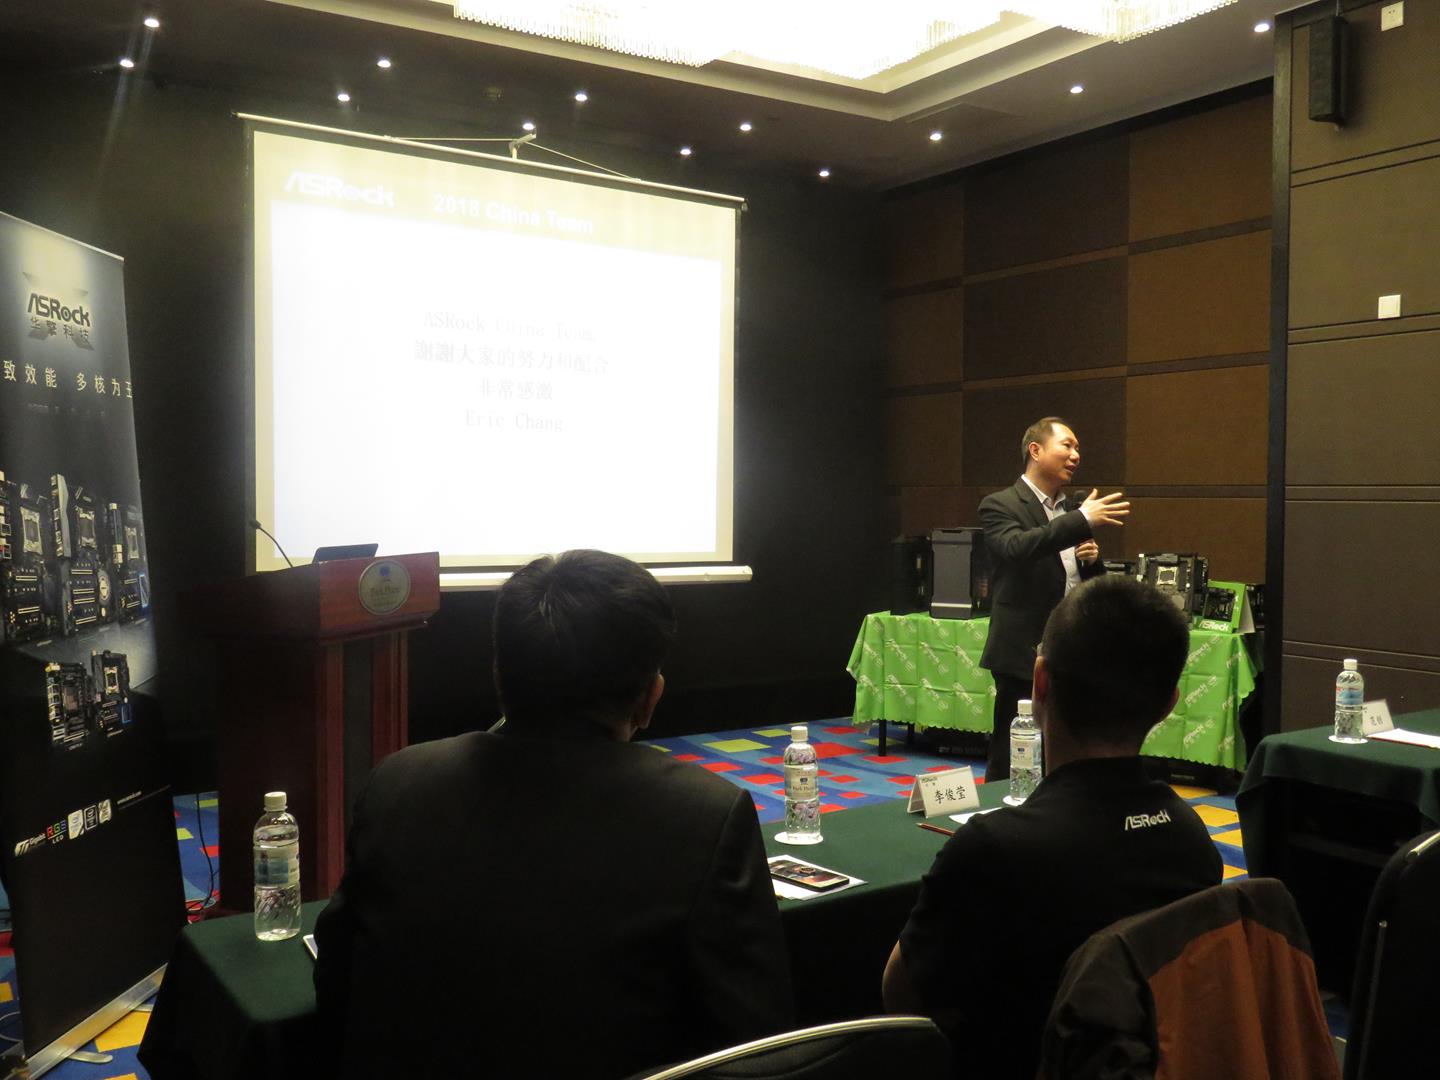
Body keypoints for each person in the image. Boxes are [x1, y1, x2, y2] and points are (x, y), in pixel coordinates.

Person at [313, 549, 795, 1079]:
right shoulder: (706, 817)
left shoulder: (396, 783)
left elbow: (337, 979)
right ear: (650, 698)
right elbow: (756, 1044)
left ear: (500, 674)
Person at [882, 575, 1223, 1079]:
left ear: (1039, 683)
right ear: (1169, 705)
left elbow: (901, 997)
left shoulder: (992, 850)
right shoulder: (1192, 839)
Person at [978, 416, 1128, 783]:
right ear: (1036, 450)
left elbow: (1080, 582)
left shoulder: (1070, 511)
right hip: (1023, 651)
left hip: (1071, 650)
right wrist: (1081, 520)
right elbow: (1016, 548)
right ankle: (1001, 810)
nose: (1076, 455)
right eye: (1067, 445)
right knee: (1013, 748)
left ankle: (1062, 804)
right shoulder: (1001, 504)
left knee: (1068, 745)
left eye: (1078, 449)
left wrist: (1092, 562)